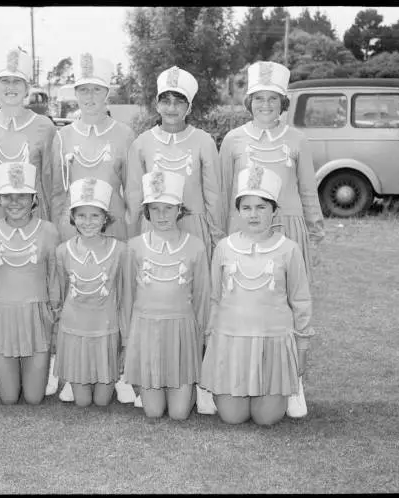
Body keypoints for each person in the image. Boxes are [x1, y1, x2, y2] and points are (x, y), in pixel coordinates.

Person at [0, 48, 57, 397]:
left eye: (17, 81)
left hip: (33, 217)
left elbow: (51, 181)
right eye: (4, 81)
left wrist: (51, 222)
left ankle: (43, 365)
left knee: (34, 288)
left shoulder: (44, 126)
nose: (10, 87)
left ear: (27, 87)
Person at [48, 53, 137, 404]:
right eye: (83, 90)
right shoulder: (63, 136)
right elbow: (57, 188)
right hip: (75, 228)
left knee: (113, 298)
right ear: (75, 94)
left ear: (107, 93)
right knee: (77, 298)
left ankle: (118, 371)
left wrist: (129, 229)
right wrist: (61, 229)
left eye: (96, 90)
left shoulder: (125, 134)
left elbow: (131, 188)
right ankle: (74, 370)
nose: (89, 97)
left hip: (113, 229)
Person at [200, 165, 314, 425]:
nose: (253, 214)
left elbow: (301, 301)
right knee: (233, 417)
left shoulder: (289, 249)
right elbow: (214, 298)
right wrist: (210, 343)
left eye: (261, 207)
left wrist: (302, 348)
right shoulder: (224, 248)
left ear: (274, 210)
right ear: (238, 212)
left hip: (272, 341)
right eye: (246, 208)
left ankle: (278, 391)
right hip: (232, 343)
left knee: (266, 419)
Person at [218, 61, 325, 279]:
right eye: (259, 98)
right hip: (246, 228)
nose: (265, 105)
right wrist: (223, 236)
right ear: (249, 102)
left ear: (282, 102)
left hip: (288, 229)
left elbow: (308, 191)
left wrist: (315, 237)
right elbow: (224, 192)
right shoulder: (233, 140)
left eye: (272, 98)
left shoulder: (298, 140)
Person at [123, 170, 210, 420]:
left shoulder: (195, 245)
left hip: (182, 331)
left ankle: (191, 387)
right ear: (147, 211)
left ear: (179, 210)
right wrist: (129, 339)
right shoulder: (135, 246)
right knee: (153, 412)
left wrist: (202, 337)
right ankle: (149, 381)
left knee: (180, 414)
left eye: (168, 208)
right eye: (156, 208)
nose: (162, 215)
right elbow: (127, 296)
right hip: (146, 331)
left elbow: (203, 295)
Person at [0, 161, 61, 405]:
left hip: (37, 317)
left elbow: (54, 280)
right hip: (0, 317)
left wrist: (55, 321)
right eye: (8, 196)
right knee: (9, 398)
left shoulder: (49, 231)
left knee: (34, 398)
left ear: (33, 198)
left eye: (22, 196)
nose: (15, 202)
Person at [125, 66, 224, 260]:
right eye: (166, 101)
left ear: (189, 107)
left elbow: (213, 195)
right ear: (156, 104)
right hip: (153, 228)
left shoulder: (204, 141)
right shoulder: (142, 143)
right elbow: (134, 196)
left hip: (193, 227)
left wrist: (217, 237)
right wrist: (133, 238)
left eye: (179, 102)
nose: (171, 108)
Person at [53, 177, 131, 407]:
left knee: (102, 401)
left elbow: (126, 298)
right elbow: (60, 292)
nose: (88, 222)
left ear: (106, 218)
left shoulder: (120, 250)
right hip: (74, 329)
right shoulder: (63, 251)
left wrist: (125, 339)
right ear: (72, 218)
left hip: (105, 329)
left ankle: (115, 378)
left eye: (95, 215)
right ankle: (75, 377)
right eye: (81, 215)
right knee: (83, 402)